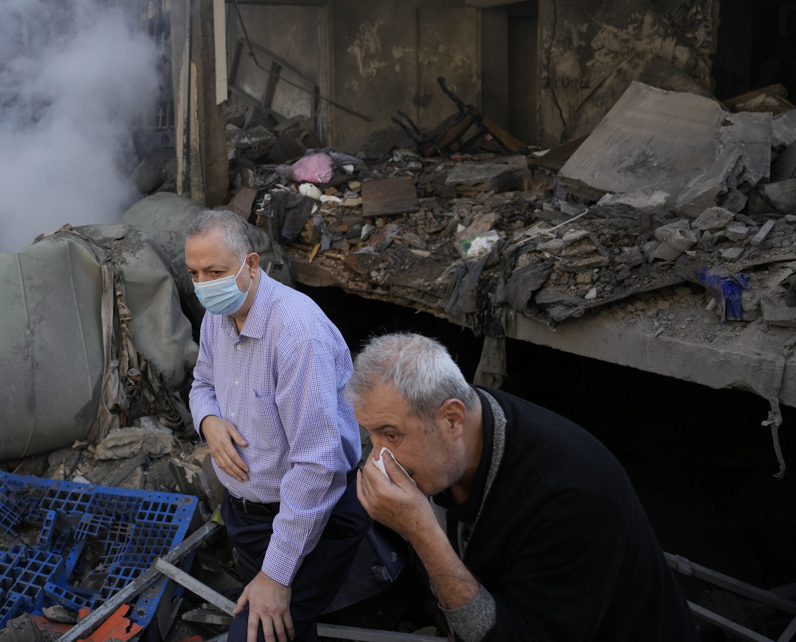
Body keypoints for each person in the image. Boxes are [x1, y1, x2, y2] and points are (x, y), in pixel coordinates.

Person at [347, 332, 698, 642]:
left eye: (391, 434)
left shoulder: (569, 500)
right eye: (372, 436)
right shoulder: (458, 436)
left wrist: (422, 533)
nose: (378, 458)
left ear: (452, 418)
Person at [186, 209, 369, 642]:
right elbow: (201, 383)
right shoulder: (218, 316)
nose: (204, 285)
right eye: (194, 273)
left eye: (215, 271)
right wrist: (208, 421)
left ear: (251, 264)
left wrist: (276, 574)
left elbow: (319, 467)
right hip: (247, 517)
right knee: (289, 629)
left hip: (310, 519)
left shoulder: (297, 334)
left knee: (257, 631)